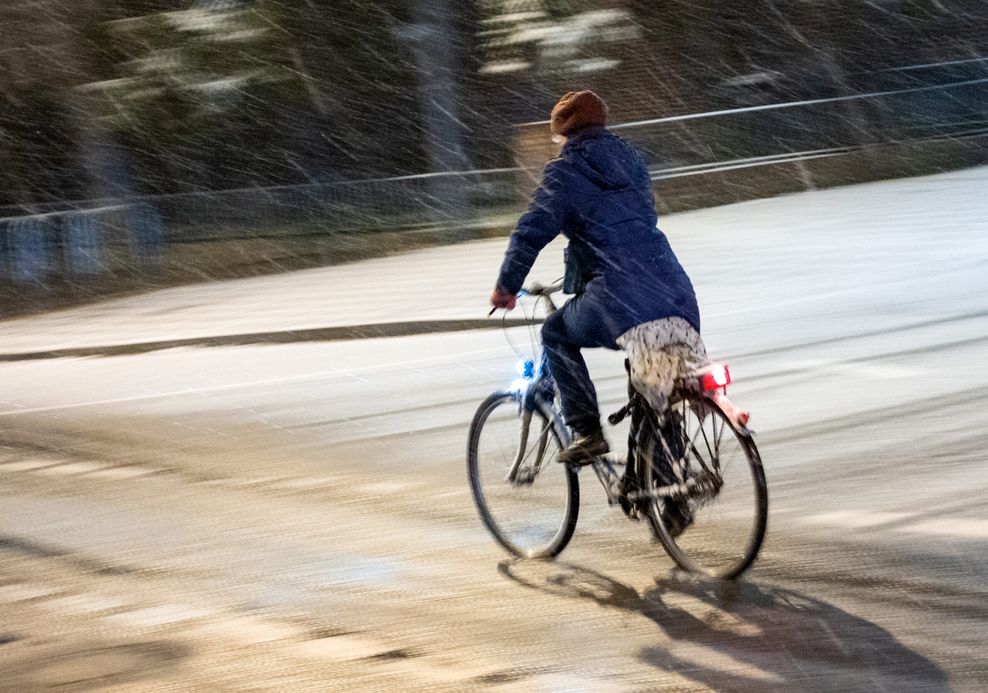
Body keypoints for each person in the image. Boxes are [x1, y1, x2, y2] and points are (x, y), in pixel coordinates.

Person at [490, 90, 706, 466]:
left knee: (555, 333)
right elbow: (626, 224)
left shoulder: (566, 172)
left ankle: (587, 431)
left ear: (564, 133)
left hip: (619, 293)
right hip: (672, 288)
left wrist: (507, 287)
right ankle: (667, 492)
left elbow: (532, 230)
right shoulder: (632, 161)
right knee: (653, 376)